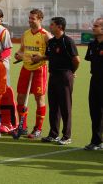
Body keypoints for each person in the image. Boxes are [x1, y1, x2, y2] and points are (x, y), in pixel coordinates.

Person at [35, 17, 80, 145]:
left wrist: (71, 72)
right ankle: (53, 134)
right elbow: (50, 56)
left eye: (52, 24)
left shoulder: (68, 41)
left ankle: (66, 136)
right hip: (53, 75)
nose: (50, 26)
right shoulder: (52, 42)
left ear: (60, 27)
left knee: (65, 106)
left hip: (65, 75)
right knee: (53, 106)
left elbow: (76, 60)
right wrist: (40, 58)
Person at [14, 9, 51, 138]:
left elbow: (51, 54)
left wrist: (41, 57)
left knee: (39, 98)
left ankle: (38, 129)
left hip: (39, 69)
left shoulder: (46, 35)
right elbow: (22, 50)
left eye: (32, 18)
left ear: (40, 19)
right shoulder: (25, 34)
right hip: (26, 68)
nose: (30, 20)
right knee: (20, 97)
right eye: (29, 18)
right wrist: (18, 55)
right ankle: (22, 127)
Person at [84, 18, 103, 150]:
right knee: (95, 112)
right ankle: (96, 141)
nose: (93, 28)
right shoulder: (92, 45)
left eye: (96, 26)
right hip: (95, 81)